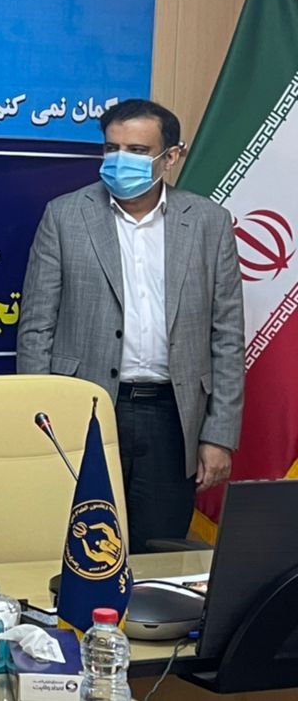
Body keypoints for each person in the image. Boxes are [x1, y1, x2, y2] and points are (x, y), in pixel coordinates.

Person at [17, 98, 244, 550]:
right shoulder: (65, 215)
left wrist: (219, 435)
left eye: (138, 151)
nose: (121, 160)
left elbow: (227, 336)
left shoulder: (208, 222)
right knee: (84, 548)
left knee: (159, 552)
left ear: (171, 157)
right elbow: (36, 327)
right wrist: (42, 418)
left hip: (171, 416)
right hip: (85, 409)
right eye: (112, 148)